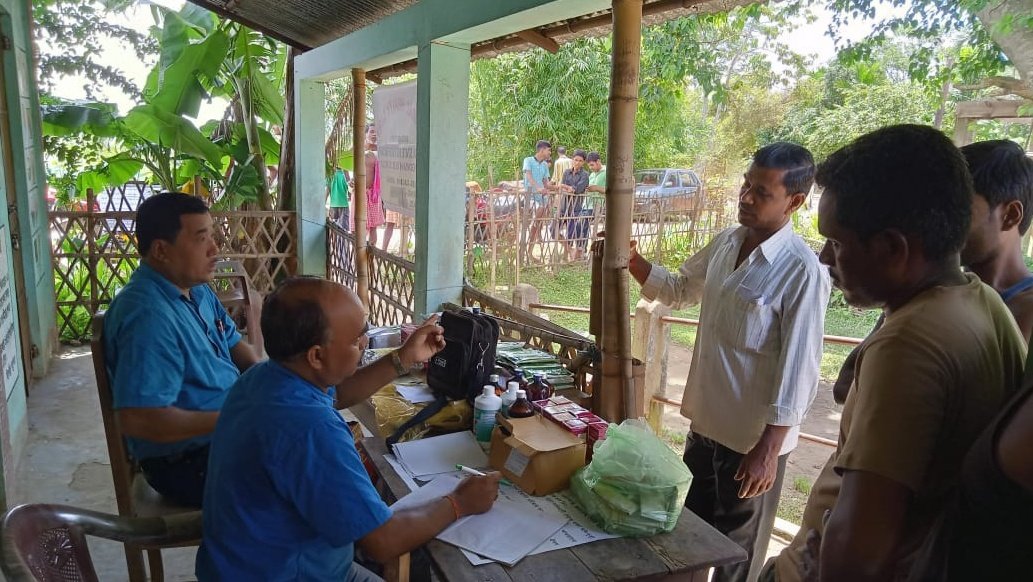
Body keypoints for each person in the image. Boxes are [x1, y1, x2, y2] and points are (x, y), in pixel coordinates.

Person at [769, 125, 1026, 582]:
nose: (826, 258)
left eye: (839, 242)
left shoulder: (909, 345)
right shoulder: (982, 301)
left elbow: (859, 555)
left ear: (892, 248)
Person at [196, 277, 501, 580]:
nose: (365, 343)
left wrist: (403, 358)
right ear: (316, 355)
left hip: (240, 565)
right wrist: (460, 502)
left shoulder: (266, 377)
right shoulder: (310, 428)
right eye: (357, 339)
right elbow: (381, 542)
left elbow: (337, 394)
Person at [629, 142, 831, 582]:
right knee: (690, 537)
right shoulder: (727, 242)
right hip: (705, 426)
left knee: (736, 555)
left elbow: (799, 370)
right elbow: (682, 288)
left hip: (750, 443)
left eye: (762, 192)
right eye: (746, 185)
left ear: (794, 201)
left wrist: (769, 450)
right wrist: (632, 262)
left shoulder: (802, 272)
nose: (746, 197)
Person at [103, 192, 263, 507]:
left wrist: (272, 388)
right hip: (186, 462)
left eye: (213, 236)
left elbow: (241, 352)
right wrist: (234, 418)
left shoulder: (199, 291)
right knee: (306, 473)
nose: (215, 249)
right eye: (201, 239)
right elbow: (140, 420)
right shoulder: (147, 315)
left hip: (224, 437)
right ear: (161, 250)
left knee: (316, 432)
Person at [960, 139, 1033, 341]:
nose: (943, 224)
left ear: (1010, 215)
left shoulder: (1027, 314)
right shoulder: (932, 294)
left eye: (960, 212)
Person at [522, 140, 553, 257]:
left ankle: (529, 251)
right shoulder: (528, 160)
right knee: (536, 216)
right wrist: (537, 188)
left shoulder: (545, 165)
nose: (550, 153)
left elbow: (546, 183)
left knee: (538, 225)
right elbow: (528, 176)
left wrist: (559, 187)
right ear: (542, 150)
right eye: (549, 150)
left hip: (542, 198)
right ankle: (525, 249)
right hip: (530, 196)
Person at [559, 149, 590, 259]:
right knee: (553, 230)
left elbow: (577, 190)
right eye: (575, 160)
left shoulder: (585, 175)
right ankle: (570, 251)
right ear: (572, 160)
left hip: (575, 207)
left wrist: (567, 188)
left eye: (580, 161)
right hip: (563, 205)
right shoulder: (566, 172)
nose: (577, 162)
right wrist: (567, 188)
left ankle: (567, 256)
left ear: (583, 162)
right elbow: (561, 187)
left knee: (570, 232)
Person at [361, 124, 387, 248]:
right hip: (360, 194)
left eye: (377, 132)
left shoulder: (382, 151)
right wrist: (349, 181)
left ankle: (371, 255)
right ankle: (359, 256)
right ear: (365, 134)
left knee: (373, 227)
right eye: (371, 131)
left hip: (374, 195)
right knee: (358, 226)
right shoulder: (358, 149)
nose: (374, 134)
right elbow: (346, 166)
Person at [584, 152, 606, 236]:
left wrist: (596, 188)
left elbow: (612, 190)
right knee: (581, 226)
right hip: (587, 204)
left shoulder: (607, 172)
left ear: (598, 161)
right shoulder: (592, 174)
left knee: (583, 224)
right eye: (589, 166)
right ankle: (582, 247)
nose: (590, 168)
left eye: (592, 165)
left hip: (599, 205)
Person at [327, 165, 350, 230]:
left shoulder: (330, 175)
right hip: (343, 204)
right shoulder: (344, 174)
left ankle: (334, 240)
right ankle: (342, 240)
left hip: (333, 205)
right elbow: (349, 188)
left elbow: (328, 189)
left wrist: (324, 201)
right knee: (344, 228)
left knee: (333, 228)